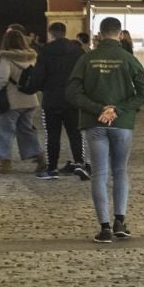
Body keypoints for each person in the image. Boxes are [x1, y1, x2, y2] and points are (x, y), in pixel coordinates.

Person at [64, 17, 144, 243]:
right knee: (120, 171)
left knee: (99, 174)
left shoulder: (87, 59)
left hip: (95, 123)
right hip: (122, 124)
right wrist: (118, 109)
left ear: (100, 34)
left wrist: (98, 109)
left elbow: (72, 93)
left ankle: (104, 227)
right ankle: (120, 221)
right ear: (120, 34)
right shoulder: (128, 59)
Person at [35, 22, 87, 181]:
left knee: (52, 135)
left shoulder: (45, 51)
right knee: (76, 133)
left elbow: (38, 77)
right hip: (73, 99)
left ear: (51, 33)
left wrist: (37, 87)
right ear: (65, 33)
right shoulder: (77, 51)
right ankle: (79, 163)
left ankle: (52, 169)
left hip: (51, 99)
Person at [0, 28, 43, 173]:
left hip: (11, 100)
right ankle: (39, 156)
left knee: (4, 130)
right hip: (30, 100)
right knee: (26, 130)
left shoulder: (6, 58)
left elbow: (2, 79)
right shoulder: (32, 57)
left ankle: (4, 162)